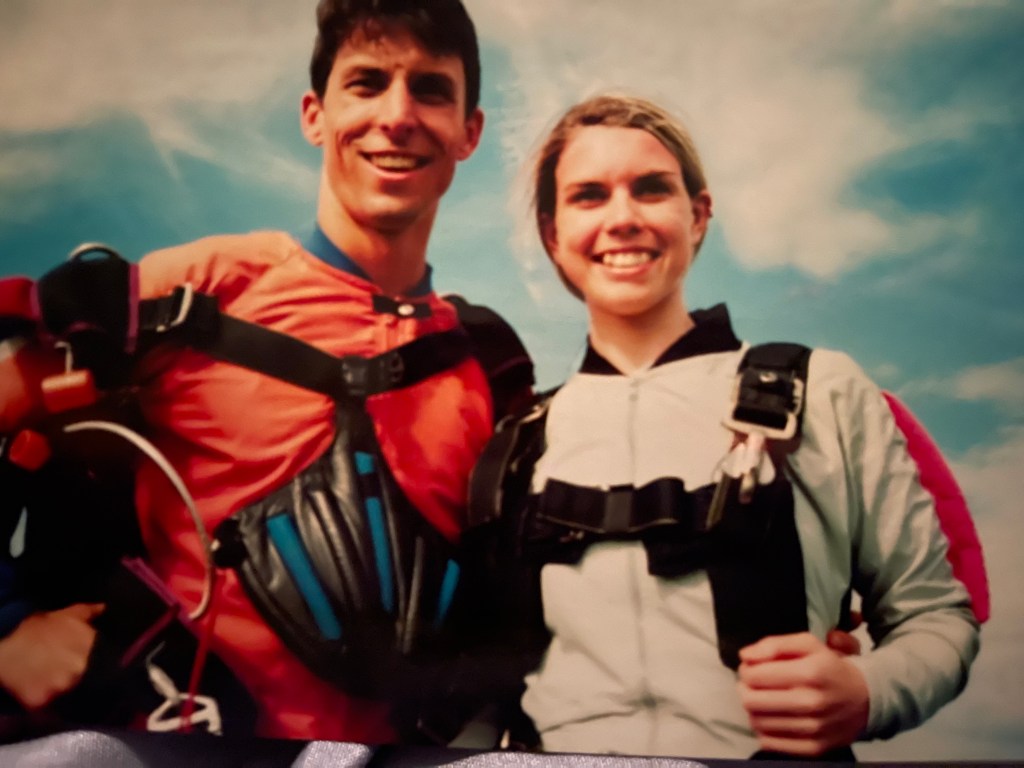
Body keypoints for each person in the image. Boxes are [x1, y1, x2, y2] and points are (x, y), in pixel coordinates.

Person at [0, 0, 533, 744]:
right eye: (367, 83)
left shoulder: (488, 363)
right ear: (315, 115)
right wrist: (9, 628)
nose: (397, 115)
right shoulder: (195, 293)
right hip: (186, 747)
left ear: (469, 132)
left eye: (431, 90)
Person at [470, 93, 980, 760]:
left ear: (698, 214)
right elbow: (481, 688)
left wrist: (868, 689)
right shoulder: (516, 441)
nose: (622, 219)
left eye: (651, 189)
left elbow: (935, 615)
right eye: (589, 196)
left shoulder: (822, 389)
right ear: (552, 232)